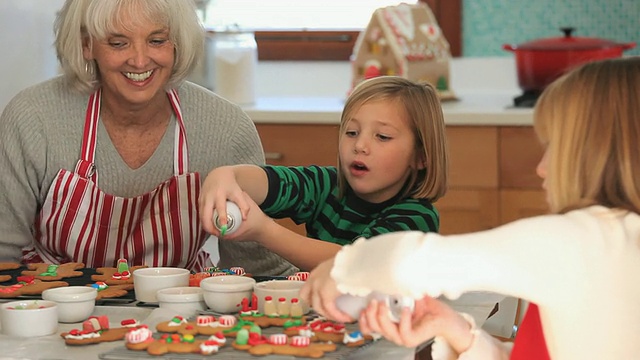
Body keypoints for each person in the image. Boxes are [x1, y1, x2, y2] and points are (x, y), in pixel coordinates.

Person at [300, 57, 640, 359]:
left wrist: (343, 266)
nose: (541, 167)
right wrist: (458, 332)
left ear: (597, 155)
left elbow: (412, 260)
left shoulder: (585, 241)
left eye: (555, 147)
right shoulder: (620, 241)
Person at [0, 0, 295, 276]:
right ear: (87, 45)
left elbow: (255, 267)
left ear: (177, 44)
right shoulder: (33, 118)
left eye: (157, 40)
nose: (140, 61)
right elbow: (3, 254)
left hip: (181, 317)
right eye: (118, 43)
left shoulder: (226, 129)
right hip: (50, 312)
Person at [199, 76, 449, 271]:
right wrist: (226, 176)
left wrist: (265, 232)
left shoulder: (417, 218)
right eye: (351, 132)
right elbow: (268, 183)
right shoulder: (326, 186)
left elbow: (350, 264)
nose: (360, 145)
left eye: (382, 137)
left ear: (421, 156)